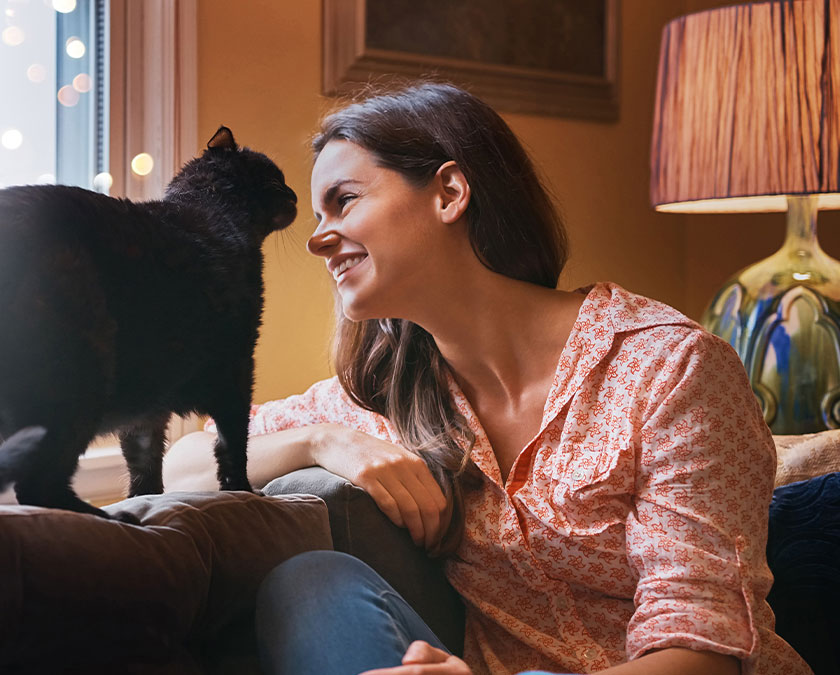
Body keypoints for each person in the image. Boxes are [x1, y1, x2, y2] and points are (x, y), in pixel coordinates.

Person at [163, 82, 811, 675]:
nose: (317, 239)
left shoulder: (669, 370)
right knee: (307, 584)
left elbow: (703, 655)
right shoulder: (391, 392)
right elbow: (184, 464)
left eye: (344, 202)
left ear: (450, 192)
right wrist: (322, 441)